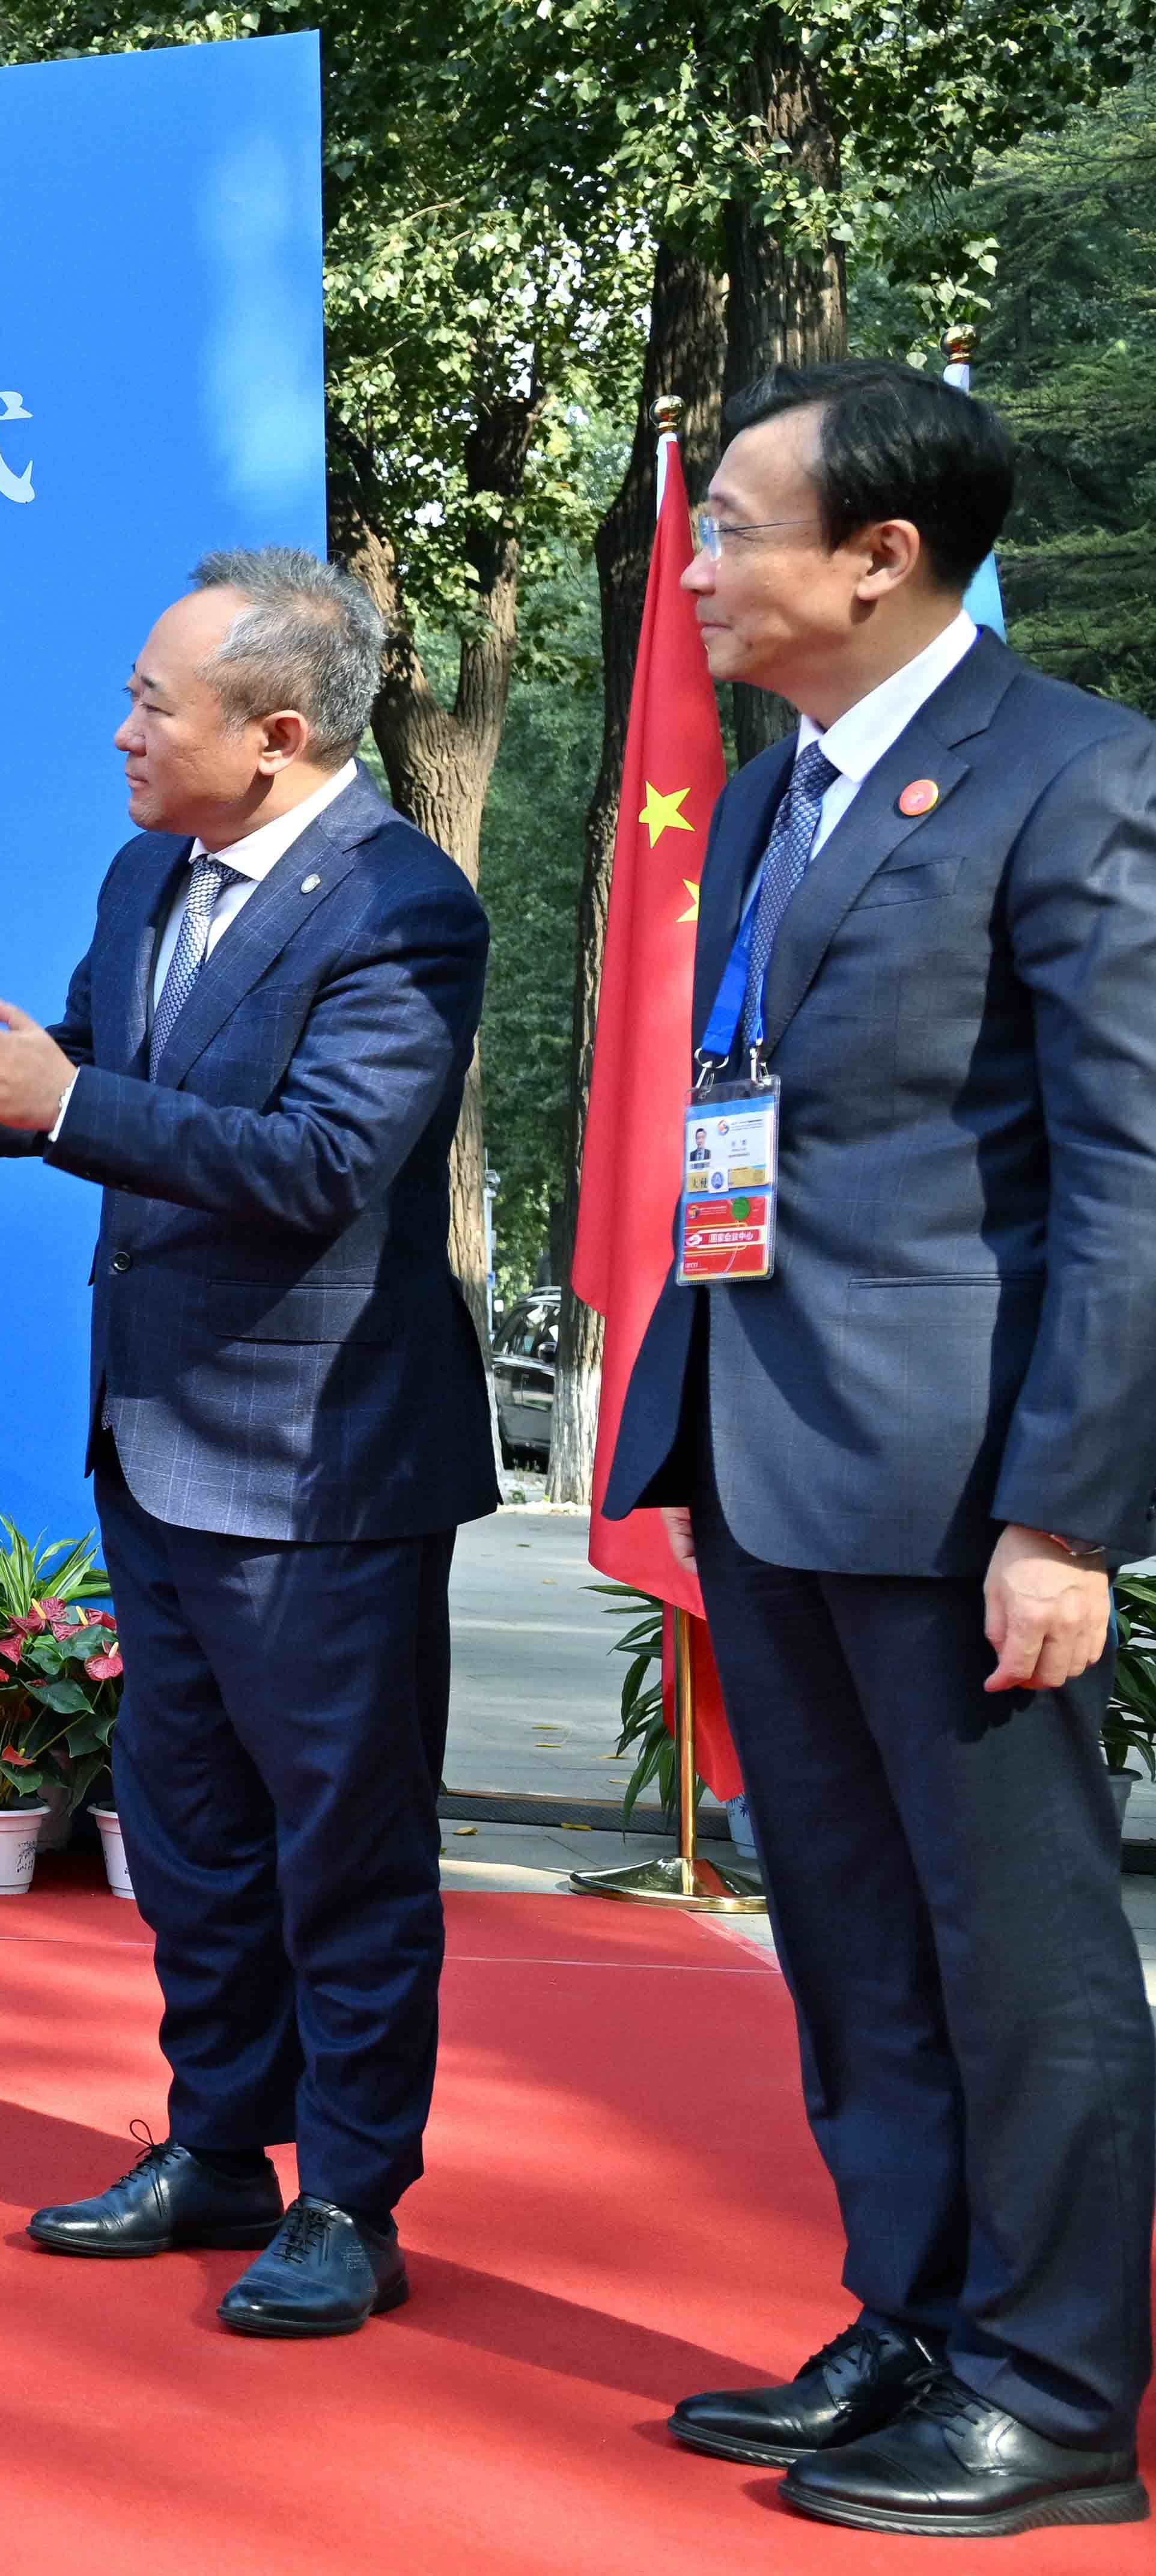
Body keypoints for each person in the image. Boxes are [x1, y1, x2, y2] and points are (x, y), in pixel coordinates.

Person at [596, 363, 1154, 2540]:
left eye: (730, 526)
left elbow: (1125, 1176)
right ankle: (914, 2313)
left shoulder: (1075, 779)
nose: (699, 565)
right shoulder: (763, 800)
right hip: (767, 1442)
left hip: (958, 1485)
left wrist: (1067, 1509)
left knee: (1013, 1952)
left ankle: (1057, 2380)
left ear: (880, 554)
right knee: (848, 1931)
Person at [0, 550, 494, 2340]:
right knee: (191, 1836)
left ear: (277, 736)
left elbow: (315, 1165)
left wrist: (66, 1101)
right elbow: (104, 1070)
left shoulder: (400, 907)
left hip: (323, 1463)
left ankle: (351, 2198)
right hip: (157, 1435)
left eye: (151, 703)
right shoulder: (147, 874)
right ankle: (218, 2148)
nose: (118, 729)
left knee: (336, 1850)